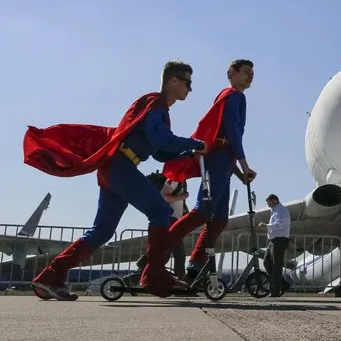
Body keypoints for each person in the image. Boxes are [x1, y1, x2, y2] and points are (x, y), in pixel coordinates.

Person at [24, 60, 207, 300]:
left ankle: (50, 277)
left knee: (101, 231)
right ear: (173, 80)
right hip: (121, 167)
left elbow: (160, 151)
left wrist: (188, 151)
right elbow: (162, 139)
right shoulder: (156, 106)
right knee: (161, 212)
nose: (190, 89)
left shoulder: (158, 109)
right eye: (187, 82)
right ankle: (154, 275)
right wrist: (195, 143)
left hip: (116, 168)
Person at [135, 59, 257, 285]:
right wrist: (244, 164)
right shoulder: (233, 97)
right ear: (231, 73)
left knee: (219, 219)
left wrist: (240, 173)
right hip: (220, 158)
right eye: (246, 72)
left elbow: (227, 138)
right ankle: (154, 256)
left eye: (253, 73)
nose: (251, 76)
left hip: (223, 159)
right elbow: (232, 133)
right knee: (203, 211)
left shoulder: (230, 97)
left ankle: (194, 267)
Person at [258, 194, 291, 297]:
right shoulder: (275, 211)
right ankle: (283, 284)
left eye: (270, 204)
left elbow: (280, 224)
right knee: (267, 263)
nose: (269, 206)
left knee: (276, 266)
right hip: (273, 241)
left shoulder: (281, 211)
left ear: (275, 201)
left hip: (279, 240)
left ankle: (275, 291)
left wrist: (266, 226)